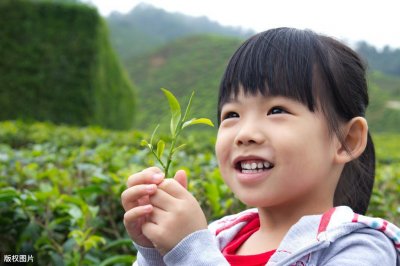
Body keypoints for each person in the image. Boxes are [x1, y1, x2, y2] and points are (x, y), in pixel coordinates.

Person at [121, 27, 400, 265]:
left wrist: (189, 250)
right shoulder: (217, 237)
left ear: (346, 141)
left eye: (277, 110)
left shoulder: (361, 247)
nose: (245, 133)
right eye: (232, 114)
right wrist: (155, 251)